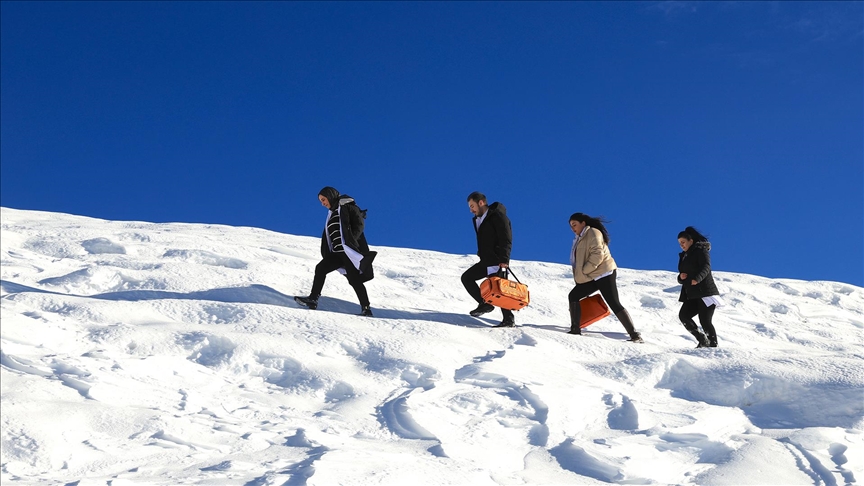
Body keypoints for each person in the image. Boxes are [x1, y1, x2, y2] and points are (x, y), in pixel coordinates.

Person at [295, 187, 377, 316]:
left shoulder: (348, 207)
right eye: (321, 201)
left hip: (348, 251)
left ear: (330, 196)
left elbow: (359, 224)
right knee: (321, 268)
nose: (322, 203)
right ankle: (313, 299)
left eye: (323, 199)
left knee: (354, 280)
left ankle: (366, 308)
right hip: (337, 253)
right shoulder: (331, 214)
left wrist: (351, 241)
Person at [566, 213, 643, 342]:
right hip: (592, 275)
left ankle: (634, 335)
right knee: (574, 295)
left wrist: (584, 271)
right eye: (571, 226)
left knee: (613, 302)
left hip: (604, 273)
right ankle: (575, 329)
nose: (573, 228)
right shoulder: (579, 238)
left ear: (583, 223)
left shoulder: (593, 232)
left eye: (574, 224)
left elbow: (598, 254)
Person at [461, 191, 516, 327]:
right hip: (486, 260)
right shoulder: (478, 219)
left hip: (497, 260)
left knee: (499, 288)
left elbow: (506, 238)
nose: (471, 210)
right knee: (467, 278)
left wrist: (504, 260)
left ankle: (508, 320)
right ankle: (485, 304)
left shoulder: (498, 216)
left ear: (481, 203)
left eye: (472, 206)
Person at [677, 226, 722, 347]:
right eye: (680, 243)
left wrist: (697, 279)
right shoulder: (683, 256)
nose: (681, 245)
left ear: (691, 241)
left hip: (705, 292)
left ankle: (712, 346)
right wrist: (680, 277)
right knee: (684, 316)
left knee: (705, 321)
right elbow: (682, 275)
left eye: (683, 242)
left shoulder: (701, 251)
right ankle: (702, 339)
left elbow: (706, 267)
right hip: (691, 294)